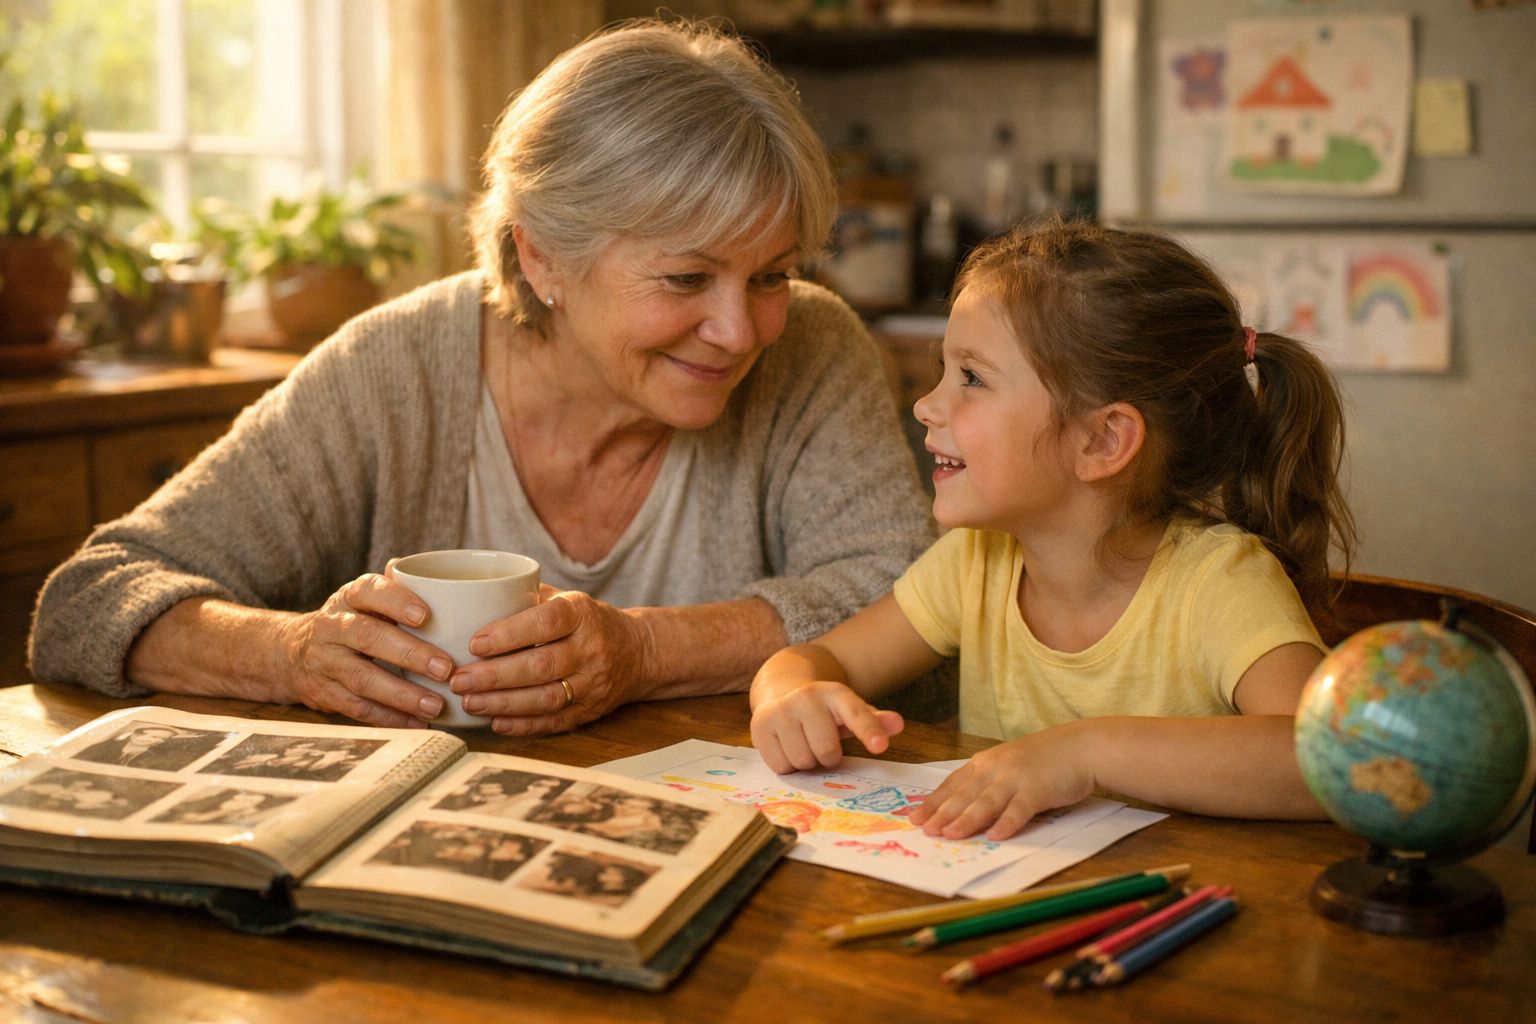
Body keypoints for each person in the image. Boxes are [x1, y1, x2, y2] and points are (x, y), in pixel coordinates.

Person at [28, 18, 935, 734]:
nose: (741, 331)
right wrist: (293, 652)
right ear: (541, 257)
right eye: (687, 278)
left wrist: (644, 649)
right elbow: (91, 597)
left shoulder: (812, 349)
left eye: (772, 275)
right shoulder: (396, 368)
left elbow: (911, 595)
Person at [749, 219, 1357, 841]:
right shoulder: (975, 563)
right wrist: (787, 693)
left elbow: (1332, 760)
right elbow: (816, 659)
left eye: (973, 378)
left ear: (1101, 440)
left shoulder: (1217, 581)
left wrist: (1085, 753)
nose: (926, 405)